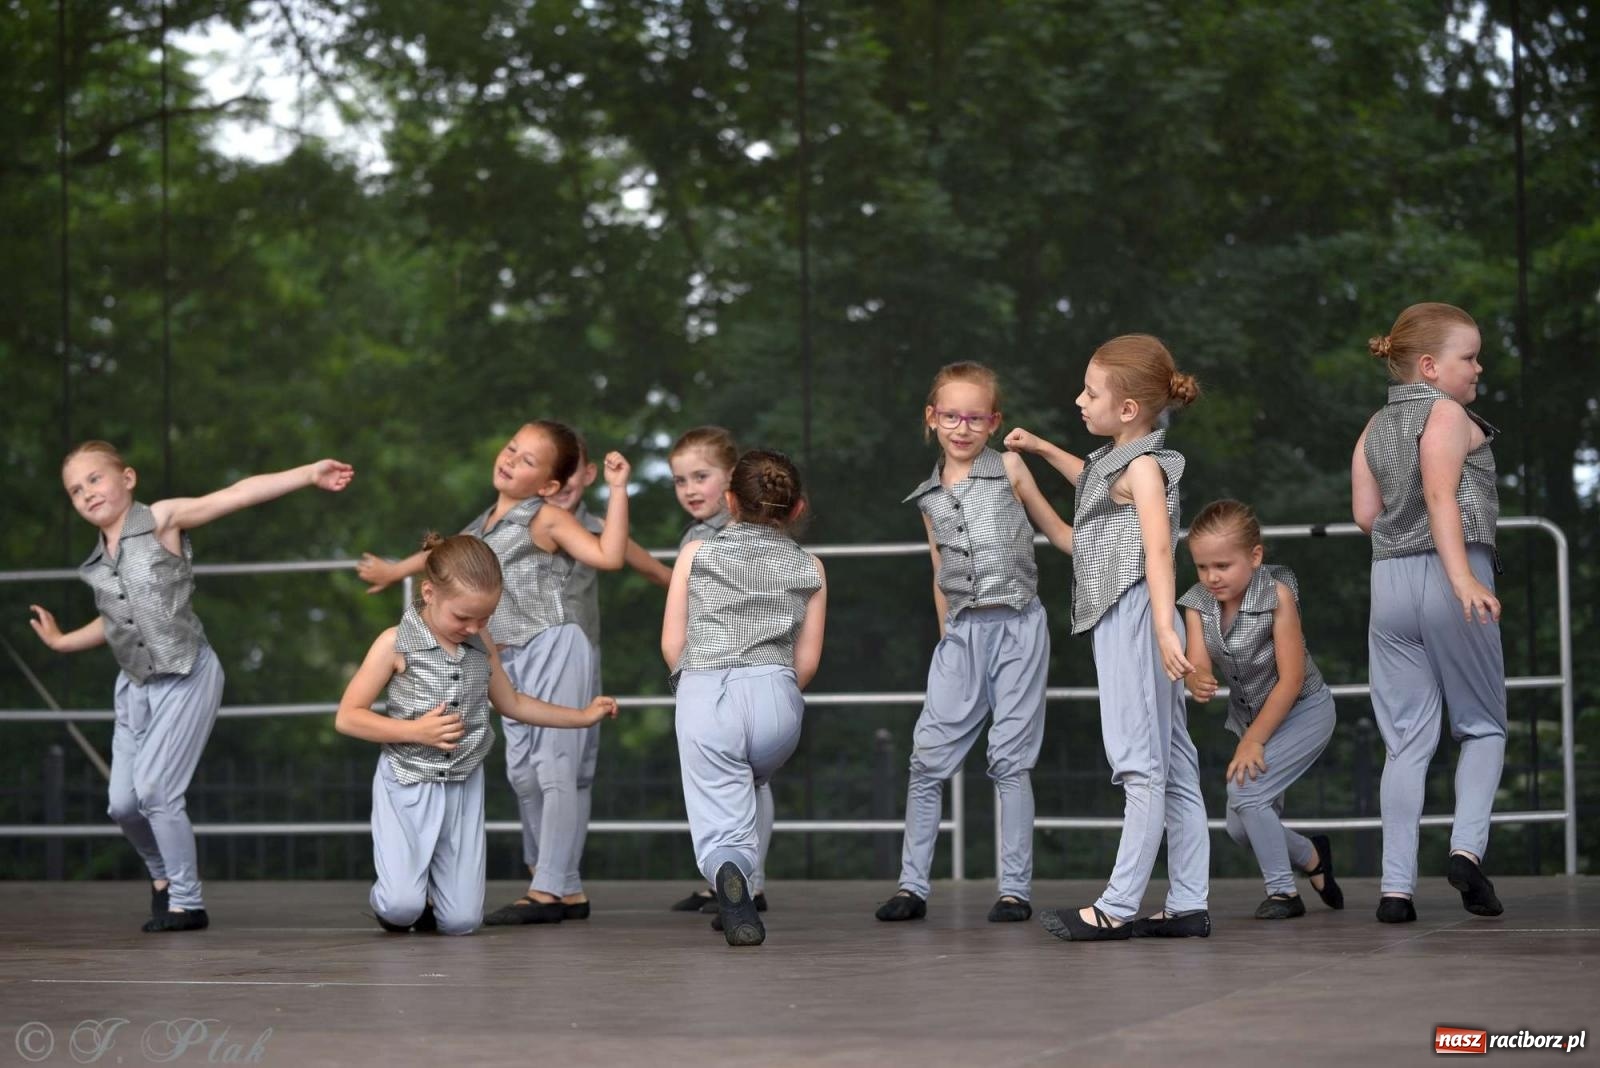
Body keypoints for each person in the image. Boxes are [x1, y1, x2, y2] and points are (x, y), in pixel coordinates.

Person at [30, 441, 354, 932]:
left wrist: (309, 471)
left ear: (128, 478)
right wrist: (61, 642)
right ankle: (161, 878)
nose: (87, 493)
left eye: (95, 479)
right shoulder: (98, 562)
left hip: (186, 675)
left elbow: (238, 494)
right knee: (122, 804)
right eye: (76, 490)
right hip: (135, 687)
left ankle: (187, 902)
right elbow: (115, 622)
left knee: (157, 790)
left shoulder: (161, 519)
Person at [356, 421, 632, 924]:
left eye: (528, 461)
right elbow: (441, 556)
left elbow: (609, 555)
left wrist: (617, 491)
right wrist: (394, 572)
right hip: (502, 655)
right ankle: (556, 883)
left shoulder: (548, 516)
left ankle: (550, 888)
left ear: (549, 485)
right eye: (510, 449)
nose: (509, 460)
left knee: (555, 768)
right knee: (522, 772)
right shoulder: (479, 525)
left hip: (551, 641)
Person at [1009, 334, 1211, 941]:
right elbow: (1080, 526)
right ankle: (1189, 901)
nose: (1079, 400)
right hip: (1128, 617)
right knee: (1172, 763)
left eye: (1090, 392)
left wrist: (1160, 628)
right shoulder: (1117, 467)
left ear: (1127, 410)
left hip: (1136, 619)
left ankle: (1118, 905)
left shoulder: (1144, 469)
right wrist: (1038, 461)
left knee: (1140, 764)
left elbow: (1158, 551)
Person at [336, 533, 617, 935]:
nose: (473, 627)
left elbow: (514, 704)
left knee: (463, 922)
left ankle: (434, 897)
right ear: (429, 593)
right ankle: (404, 902)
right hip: (408, 781)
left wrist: (582, 716)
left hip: (462, 785)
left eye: (485, 618)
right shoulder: (394, 643)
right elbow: (348, 716)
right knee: (401, 907)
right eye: (463, 617)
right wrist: (415, 730)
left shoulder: (479, 641)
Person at [875, 362, 1072, 925]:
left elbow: (1057, 532)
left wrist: (1124, 551)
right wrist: (948, 643)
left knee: (1010, 760)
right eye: (951, 416)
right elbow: (939, 570)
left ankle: (1014, 889)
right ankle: (912, 886)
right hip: (962, 635)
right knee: (926, 759)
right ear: (931, 418)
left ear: (994, 421)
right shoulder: (929, 497)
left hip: (1018, 626)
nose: (962, 427)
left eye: (975, 417)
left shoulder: (1010, 467)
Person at [1352, 302, 1506, 923]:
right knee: (1484, 725)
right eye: (1468, 357)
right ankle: (1467, 849)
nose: (1478, 368)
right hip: (1451, 574)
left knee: (1406, 742)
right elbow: (1441, 493)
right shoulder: (1447, 414)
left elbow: (1366, 515)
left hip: (1388, 582)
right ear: (1429, 367)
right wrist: (1463, 576)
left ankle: (1395, 891)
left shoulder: (1371, 428)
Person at [662, 450, 827, 946]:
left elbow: (673, 641)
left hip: (708, 689)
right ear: (797, 509)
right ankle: (749, 883)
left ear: (730, 501)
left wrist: (692, 689)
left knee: (719, 823)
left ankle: (730, 880)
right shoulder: (811, 565)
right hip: (777, 695)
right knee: (751, 785)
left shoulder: (696, 554)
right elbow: (809, 660)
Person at [1179, 499, 1343, 919]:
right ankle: (1311, 857)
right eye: (1202, 567)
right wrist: (1196, 678)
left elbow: (1290, 681)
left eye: (1222, 566)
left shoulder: (1277, 596)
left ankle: (1284, 893)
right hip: (1252, 721)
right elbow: (1197, 660)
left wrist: (1252, 742)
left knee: (1247, 793)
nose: (1211, 577)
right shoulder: (1197, 603)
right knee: (1240, 825)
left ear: (1255, 557)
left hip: (1304, 711)